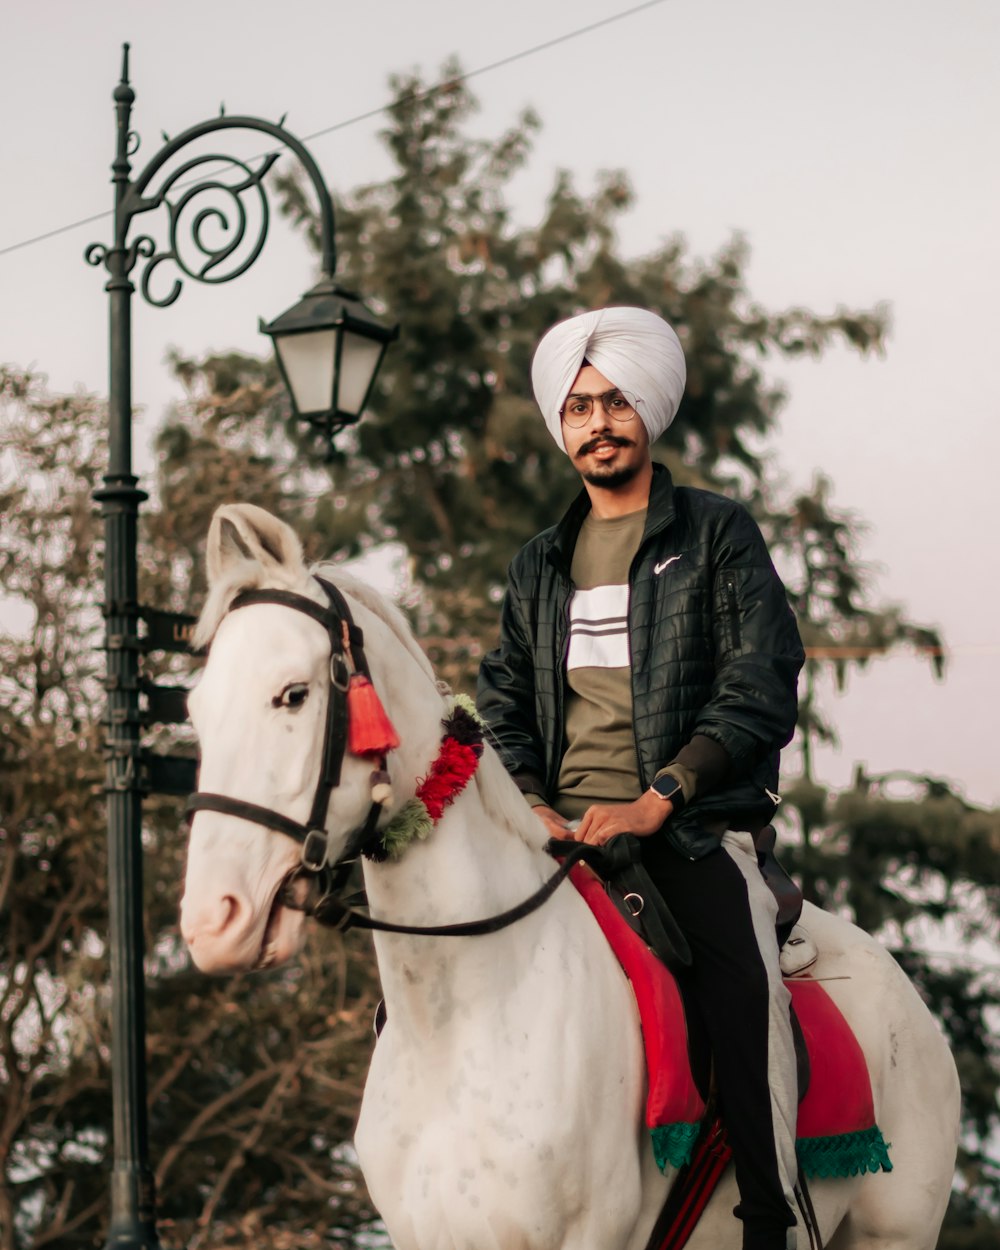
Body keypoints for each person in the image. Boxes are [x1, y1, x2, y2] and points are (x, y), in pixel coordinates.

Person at [477, 306, 805, 1250]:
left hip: (688, 829)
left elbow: (758, 682)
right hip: (553, 836)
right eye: (579, 406)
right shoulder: (537, 565)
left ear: (648, 410)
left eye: (616, 400)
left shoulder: (716, 534)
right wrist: (531, 800)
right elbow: (502, 702)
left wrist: (658, 797)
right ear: (560, 423)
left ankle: (768, 1215)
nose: (598, 422)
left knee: (745, 995)